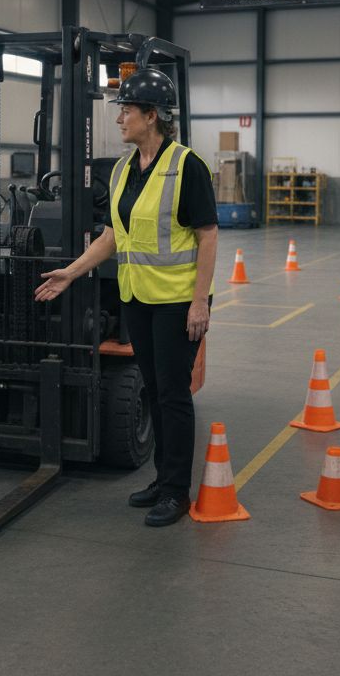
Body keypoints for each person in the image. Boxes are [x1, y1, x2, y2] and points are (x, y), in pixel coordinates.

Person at [35, 68, 218, 527]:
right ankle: (162, 478)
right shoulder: (122, 169)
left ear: (152, 116)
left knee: (173, 395)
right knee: (154, 390)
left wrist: (200, 301)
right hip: (136, 297)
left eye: (127, 111)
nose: (120, 119)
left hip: (177, 302)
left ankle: (176, 492)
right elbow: (113, 235)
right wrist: (71, 272)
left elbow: (208, 235)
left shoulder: (186, 166)